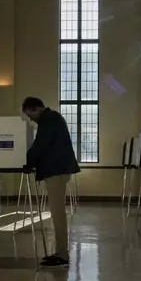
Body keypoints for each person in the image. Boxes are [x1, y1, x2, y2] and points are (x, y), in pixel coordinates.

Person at [22, 97, 80, 268]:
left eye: (29, 115)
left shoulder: (48, 119)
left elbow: (41, 145)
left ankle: (62, 255)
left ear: (35, 109)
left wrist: (24, 161)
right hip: (59, 169)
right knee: (57, 212)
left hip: (56, 170)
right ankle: (61, 252)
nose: (30, 119)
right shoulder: (52, 118)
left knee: (57, 212)